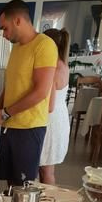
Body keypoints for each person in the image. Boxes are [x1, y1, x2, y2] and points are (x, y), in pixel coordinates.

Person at [0, 0, 58, 186]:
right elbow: (11, 84)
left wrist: (5, 113)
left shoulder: (44, 45)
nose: (4, 34)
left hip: (29, 128)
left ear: (18, 20)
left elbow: (41, 91)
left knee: (23, 186)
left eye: (5, 28)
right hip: (10, 126)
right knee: (9, 183)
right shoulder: (17, 48)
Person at [39, 28, 71, 184]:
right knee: (47, 169)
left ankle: (47, 199)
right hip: (60, 118)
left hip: (50, 122)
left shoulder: (52, 69)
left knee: (46, 170)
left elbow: (48, 105)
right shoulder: (63, 64)